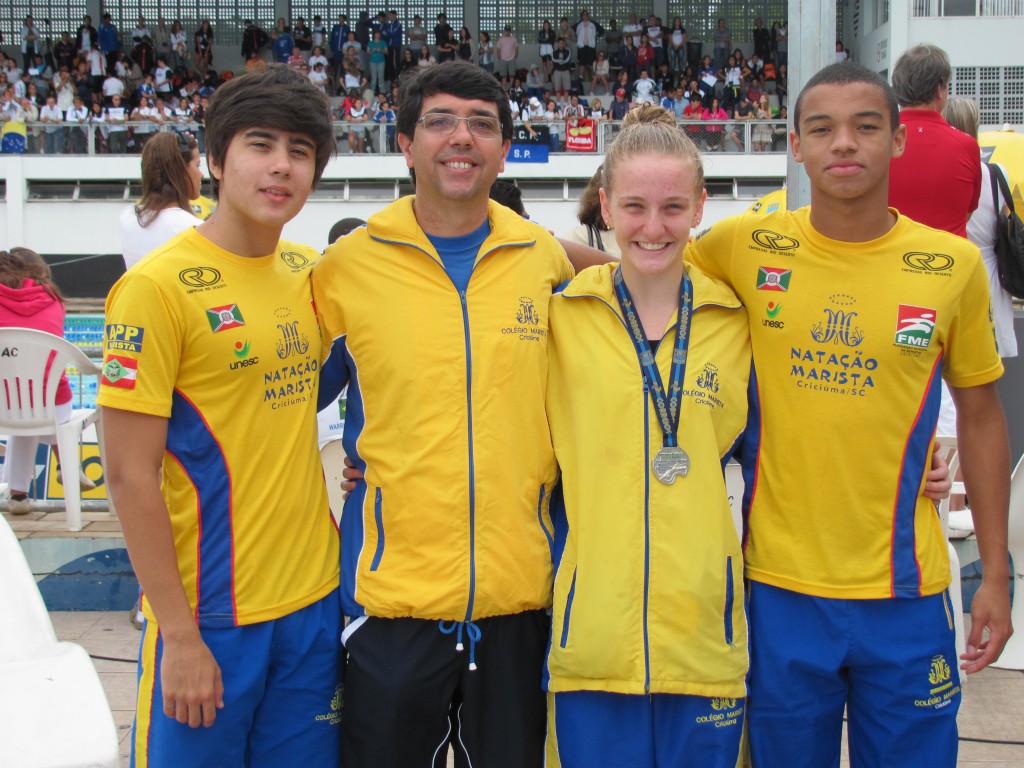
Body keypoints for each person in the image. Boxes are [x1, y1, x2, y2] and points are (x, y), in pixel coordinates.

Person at [687, 61, 1011, 768]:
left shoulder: (951, 265)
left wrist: (993, 572)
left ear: (898, 140)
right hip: (779, 590)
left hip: (907, 591)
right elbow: (642, 272)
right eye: (822, 129)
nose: (844, 144)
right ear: (796, 146)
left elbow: (983, 419)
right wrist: (540, 253)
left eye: (866, 127)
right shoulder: (745, 245)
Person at [310, 59, 574, 768]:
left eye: (482, 125)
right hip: (393, 606)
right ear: (405, 144)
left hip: (520, 602)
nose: (462, 138)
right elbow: (276, 410)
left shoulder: (542, 258)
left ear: (504, 148)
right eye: (440, 122)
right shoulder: (347, 269)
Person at [98, 66, 341, 767]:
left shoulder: (311, 272)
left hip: (312, 607)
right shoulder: (154, 289)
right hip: (209, 620)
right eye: (260, 144)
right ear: (213, 159)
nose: (280, 166)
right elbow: (128, 474)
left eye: (300, 151)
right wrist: (176, 634)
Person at [545, 103, 748, 768]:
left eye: (672, 208)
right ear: (604, 206)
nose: (653, 228)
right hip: (593, 637)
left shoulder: (736, 320)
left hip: (703, 637)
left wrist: (917, 465)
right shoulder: (561, 316)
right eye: (633, 207)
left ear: (700, 206)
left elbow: (800, 435)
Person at [1, 247, 97, 515]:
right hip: (51, 404)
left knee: (21, 407)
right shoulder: (54, 300)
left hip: (4, 403)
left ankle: (18, 496)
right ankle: (65, 464)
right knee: (38, 400)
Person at [889, 45, 980, 239]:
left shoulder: (878, 142)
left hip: (889, 260)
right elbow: (968, 211)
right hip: (949, 262)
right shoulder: (966, 145)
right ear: (940, 89)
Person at [119, 132, 203, 269]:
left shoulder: (128, 217)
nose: (201, 174)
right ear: (180, 170)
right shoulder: (193, 229)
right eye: (198, 165)